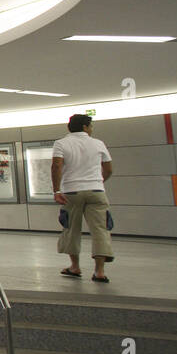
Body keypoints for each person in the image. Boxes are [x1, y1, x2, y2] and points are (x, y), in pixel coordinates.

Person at [52, 114, 114, 283]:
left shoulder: (61, 143)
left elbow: (57, 165)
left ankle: (74, 267)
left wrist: (57, 190)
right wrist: (98, 182)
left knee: (71, 228)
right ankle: (100, 271)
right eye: (91, 126)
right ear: (86, 127)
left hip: (71, 192)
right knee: (101, 229)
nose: (92, 129)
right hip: (96, 191)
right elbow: (108, 169)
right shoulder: (98, 143)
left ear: (69, 128)